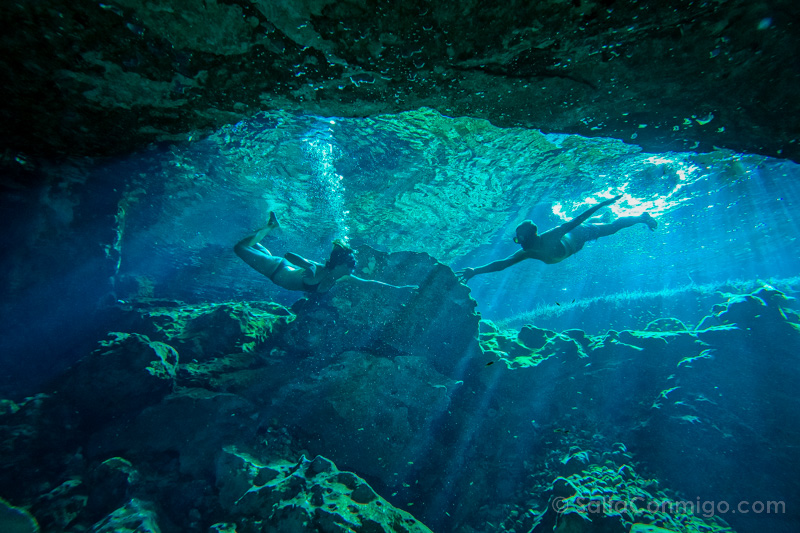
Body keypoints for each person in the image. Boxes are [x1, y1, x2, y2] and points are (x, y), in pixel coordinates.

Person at [457, 195, 657, 282]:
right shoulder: (526, 252)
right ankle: (603, 218)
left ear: (534, 235)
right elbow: (502, 264)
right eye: (518, 240)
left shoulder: (551, 236)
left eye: (523, 239)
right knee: (599, 224)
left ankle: (642, 217)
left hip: (580, 234)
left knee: (611, 228)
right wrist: (475, 270)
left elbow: (578, 219)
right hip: (574, 241)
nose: (522, 243)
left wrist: (604, 202)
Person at [234, 213, 416, 293]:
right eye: (349, 266)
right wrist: (307, 265)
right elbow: (289, 255)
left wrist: (399, 289)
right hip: (276, 270)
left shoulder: (341, 277)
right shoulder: (319, 268)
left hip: (279, 271)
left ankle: (257, 229)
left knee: (251, 245)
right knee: (240, 248)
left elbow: (370, 283)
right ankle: (270, 226)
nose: (352, 270)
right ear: (339, 265)